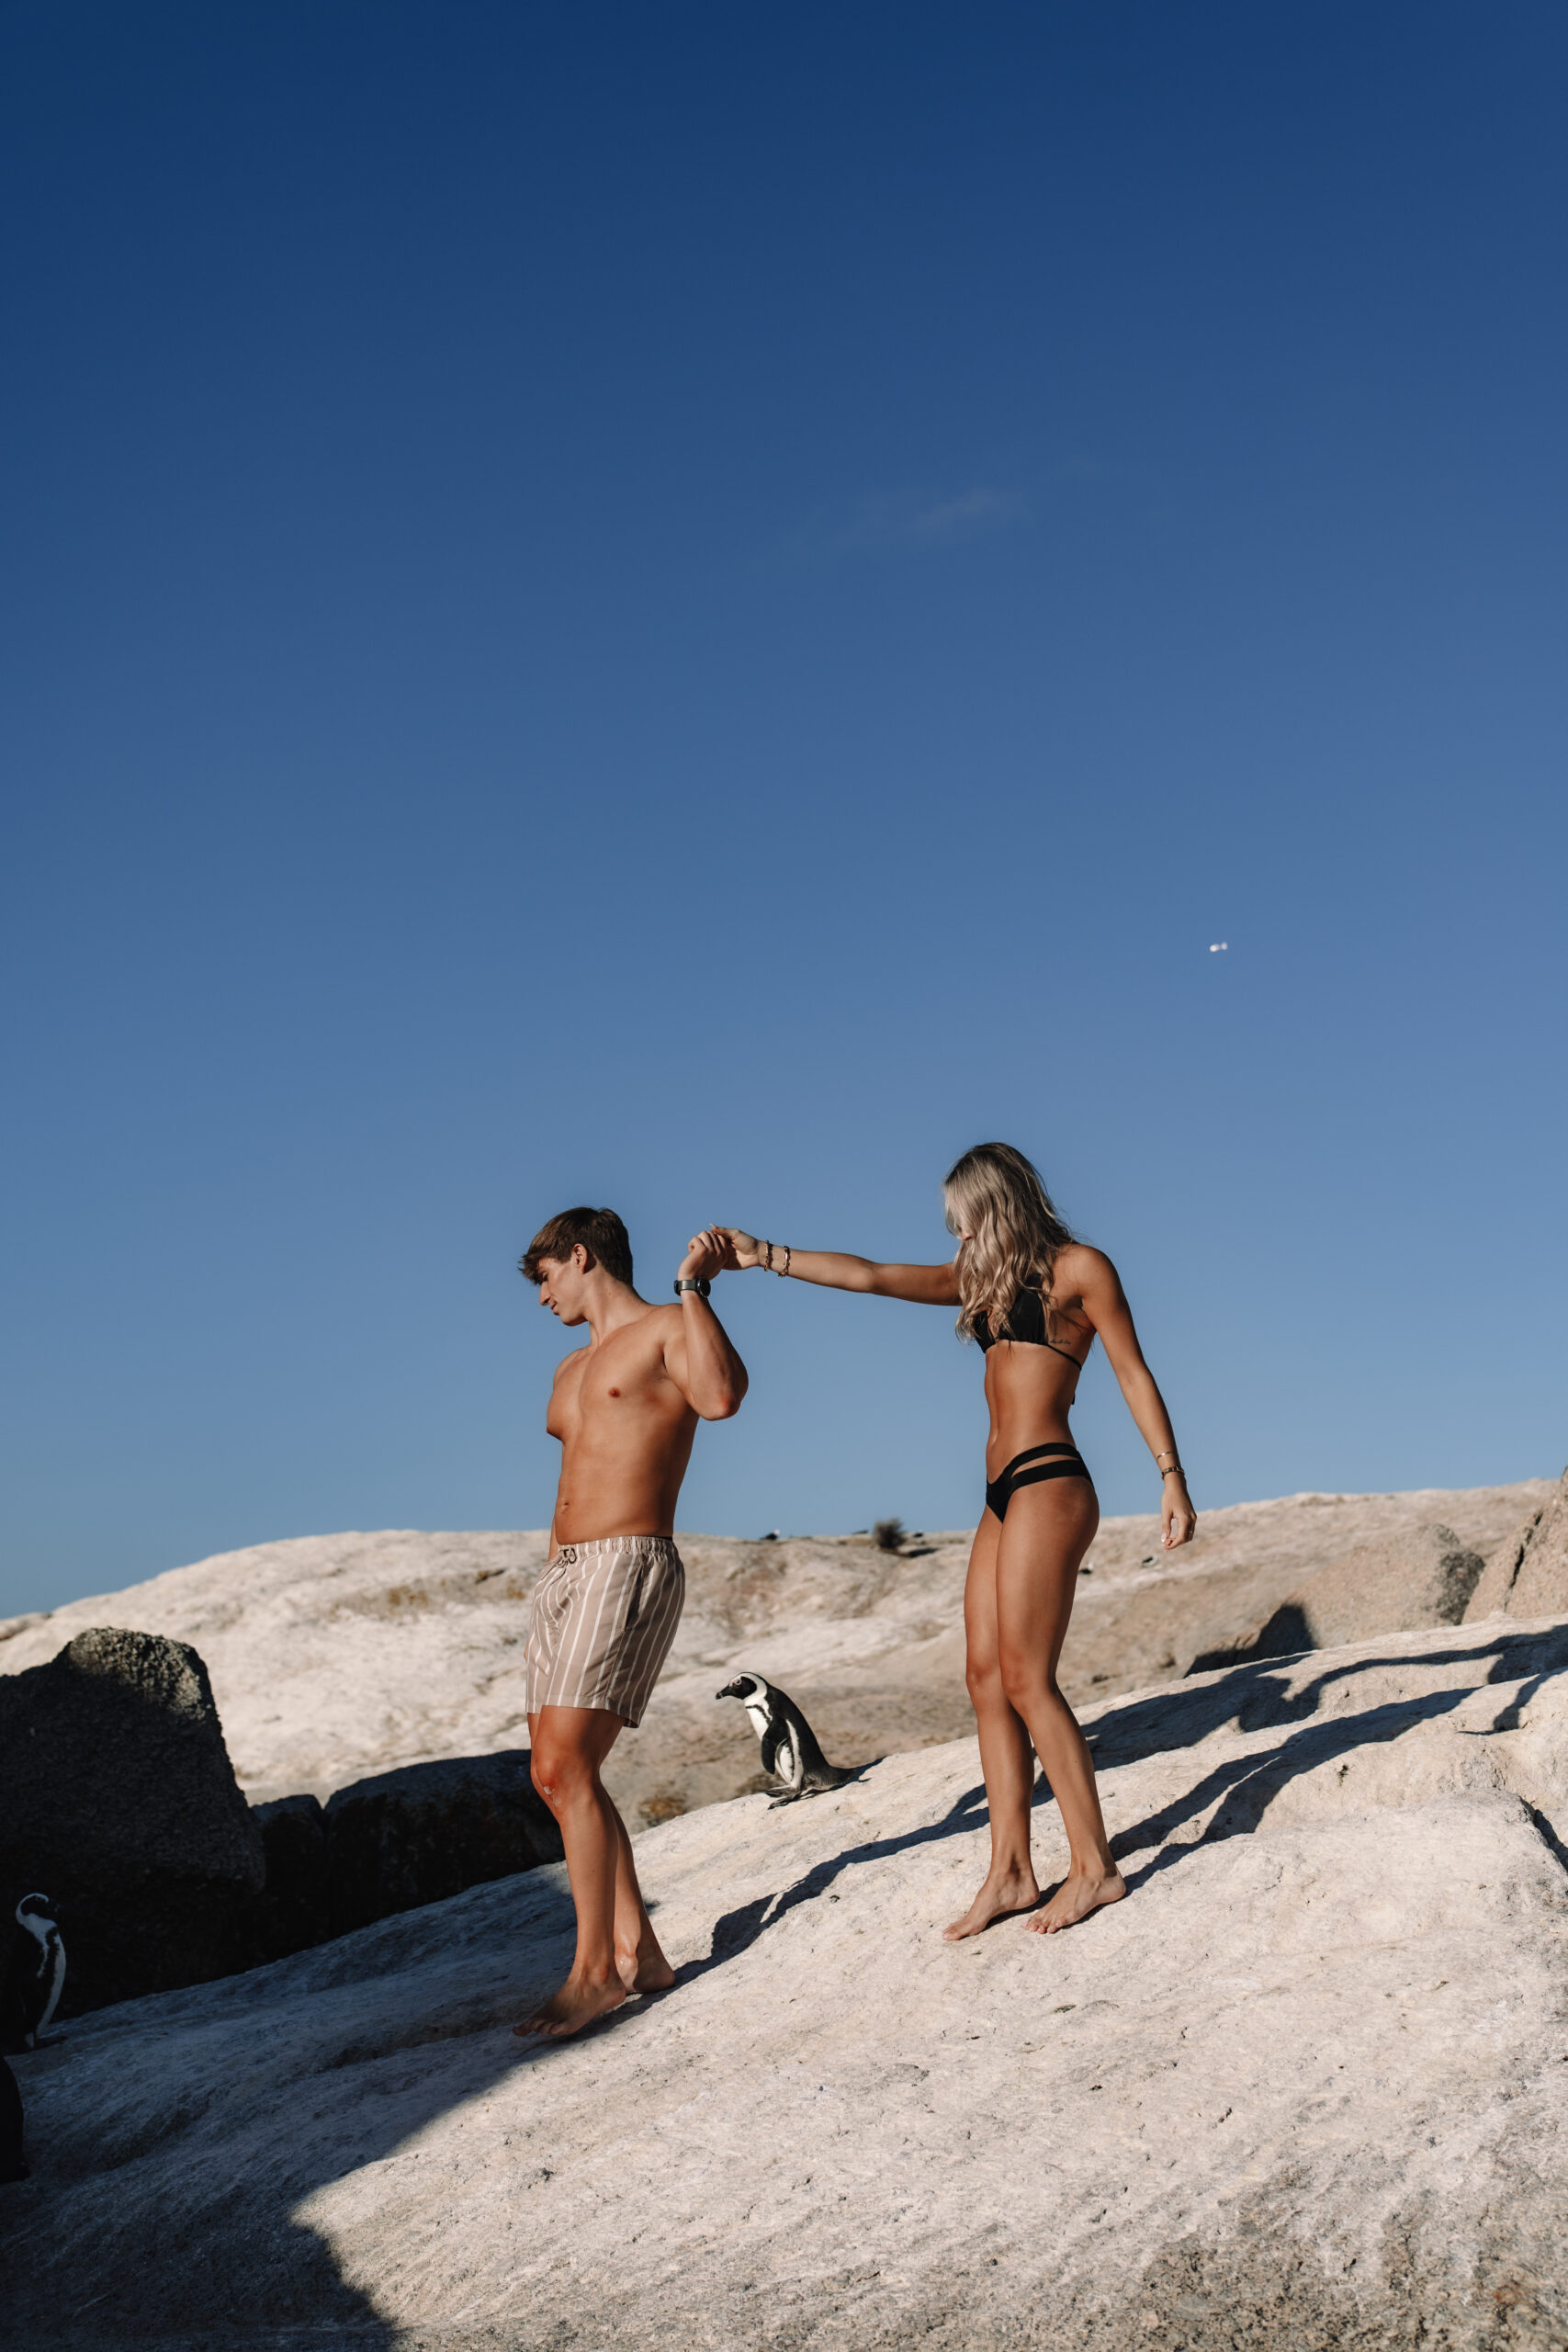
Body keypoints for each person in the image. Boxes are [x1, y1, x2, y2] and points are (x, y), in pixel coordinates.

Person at [718, 1141, 1195, 1939]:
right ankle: (1010, 1871)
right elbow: (869, 1275)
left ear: (995, 1207)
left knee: (1026, 1677)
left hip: (1050, 1479)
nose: (956, 1241)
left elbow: (1132, 1372)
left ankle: (1095, 1868)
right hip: (999, 1496)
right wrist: (764, 1256)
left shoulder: (1081, 1270)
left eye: (963, 1224)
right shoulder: (978, 1282)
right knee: (983, 1678)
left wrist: (1170, 1475)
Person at [514, 1206, 748, 2038]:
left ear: (580, 1257)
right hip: (566, 1573)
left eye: (546, 1278)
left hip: (628, 1560)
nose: (542, 1298)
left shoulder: (662, 1330)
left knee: (565, 1765)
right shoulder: (566, 1372)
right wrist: (548, 1576)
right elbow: (569, 1476)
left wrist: (694, 1291)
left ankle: (593, 1974)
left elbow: (719, 1398)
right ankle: (639, 1952)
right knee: (554, 1776)